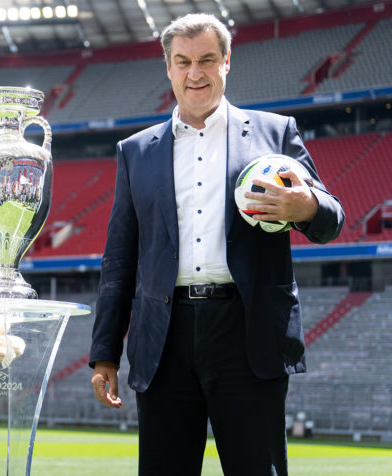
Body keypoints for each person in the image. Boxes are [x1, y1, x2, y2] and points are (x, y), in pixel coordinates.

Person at [89, 13, 344, 476]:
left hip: (247, 333)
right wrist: (105, 351)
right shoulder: (135, 151)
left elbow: (333, 218)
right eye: (183, 61)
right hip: (164, 337)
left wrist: (306, 206)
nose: (195, 73)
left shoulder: (274, 133)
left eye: (207, 59)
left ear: (227, 62)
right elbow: (120, 260)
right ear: (168, 67)